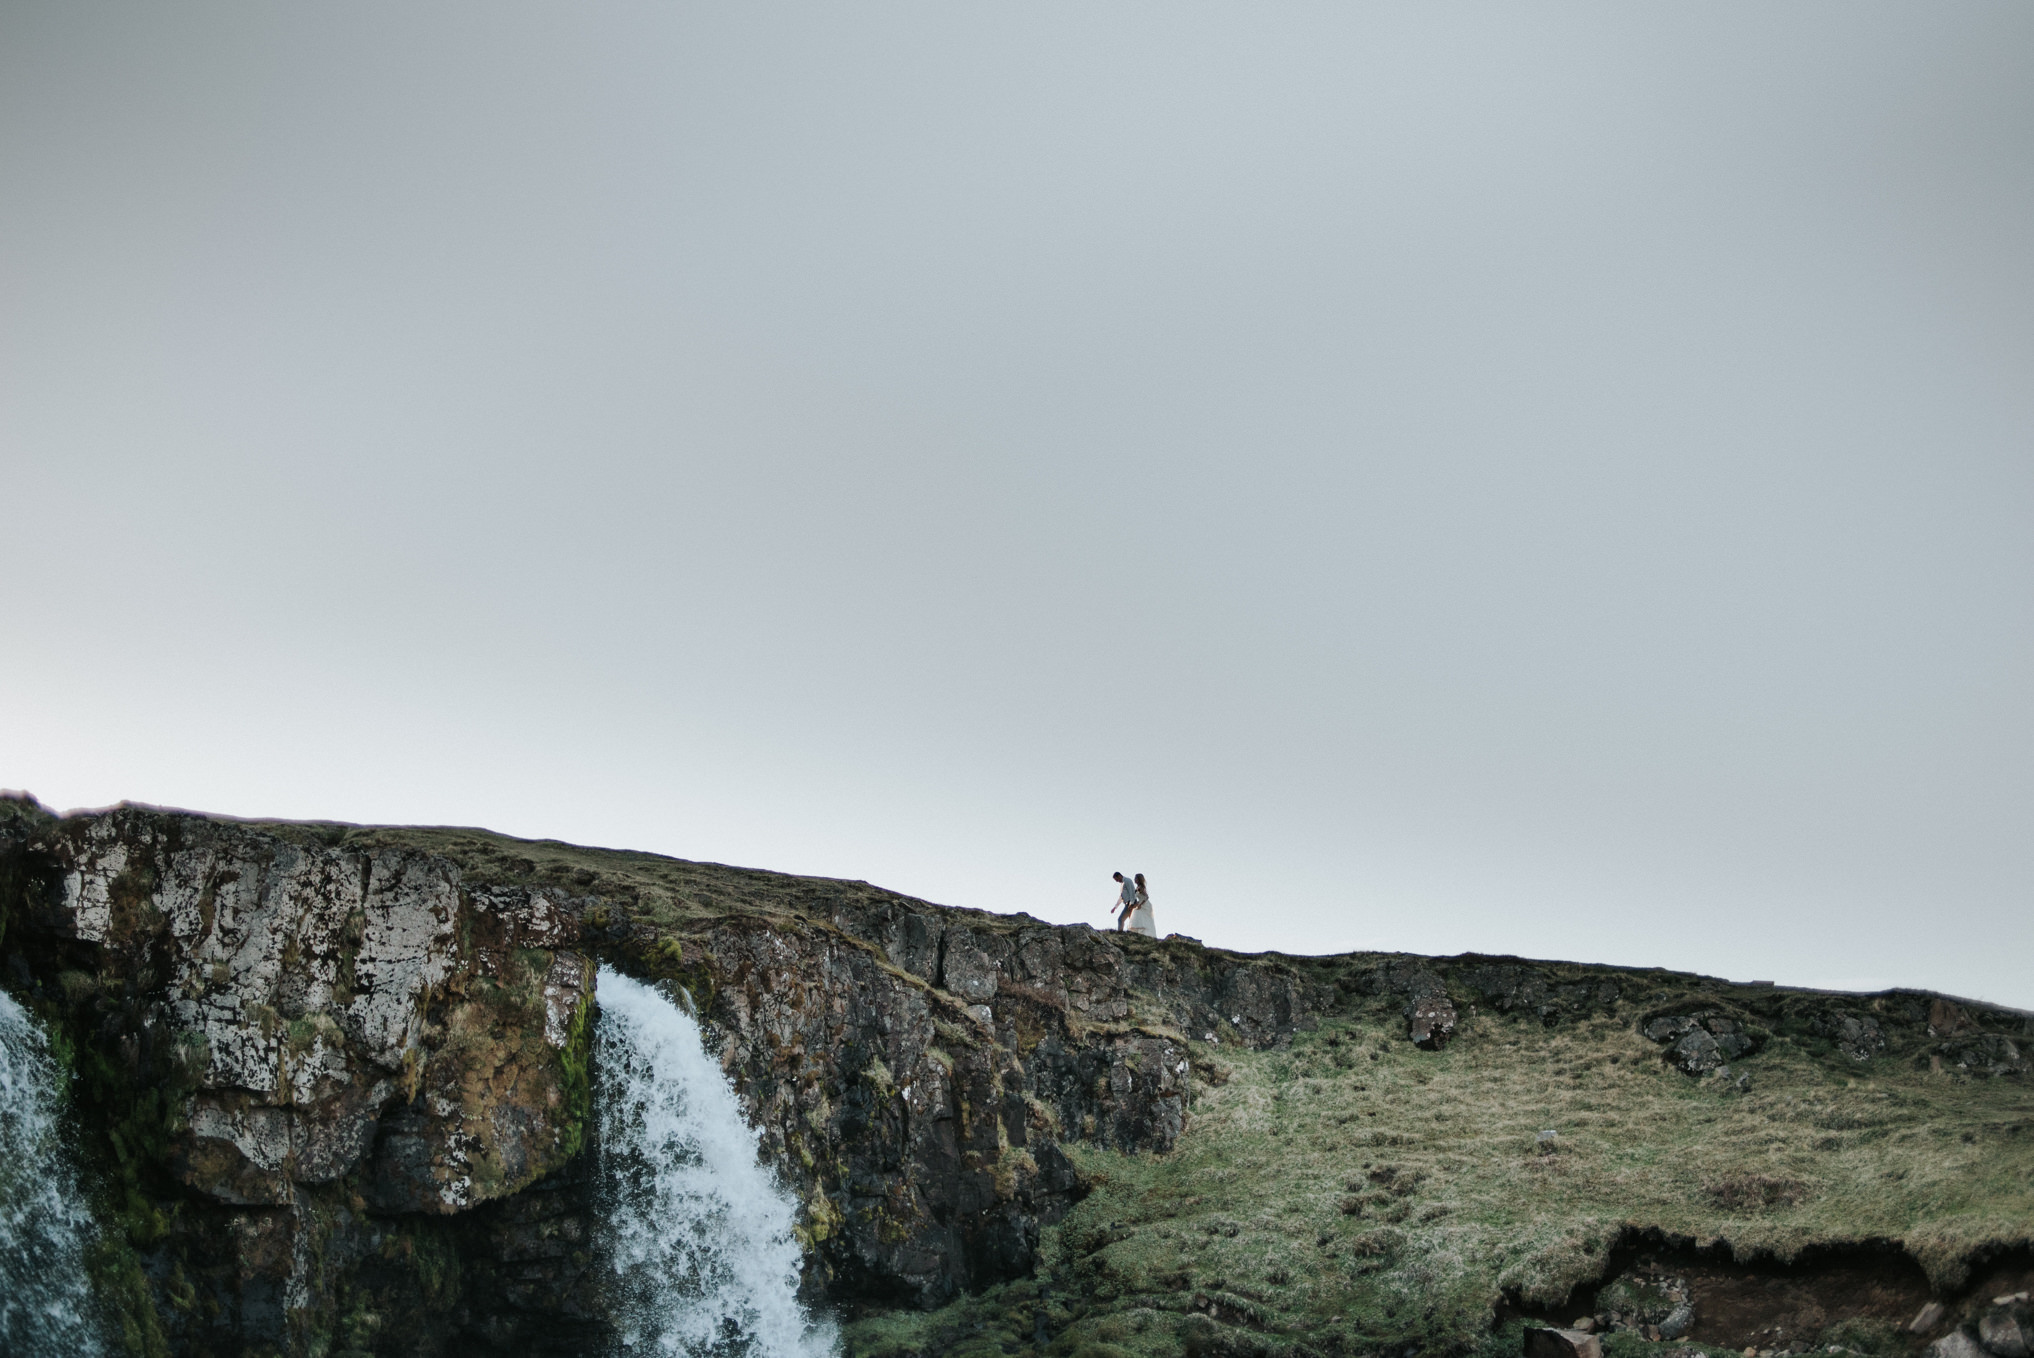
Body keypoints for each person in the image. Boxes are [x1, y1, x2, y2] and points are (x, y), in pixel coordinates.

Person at [1127, 873, 1157, 938]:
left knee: (1142, 918)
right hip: (1141, 903)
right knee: (1137, 915)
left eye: (1136, 878)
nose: (1134, 879)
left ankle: (1143, 933)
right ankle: (1138, 933)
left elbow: (1146, 897)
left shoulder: (1141, 887)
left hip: (1145, 905)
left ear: (1138, 879)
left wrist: (1140, 904)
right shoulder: (1137, 887)